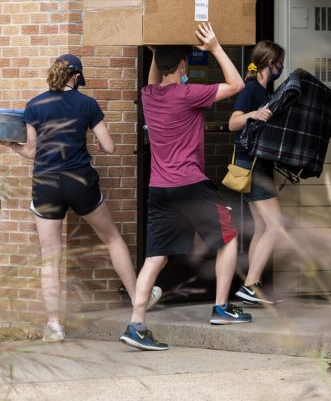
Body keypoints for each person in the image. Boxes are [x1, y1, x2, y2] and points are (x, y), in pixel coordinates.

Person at [5, 53, 161, 343]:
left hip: (46, 184)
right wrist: (97, 146)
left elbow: (31, 152)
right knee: (112, 238)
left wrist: (9, 145)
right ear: (76, 77)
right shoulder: (87, 103)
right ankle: (138, 297)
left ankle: (53, 326)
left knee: (50, 257)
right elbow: (110, 147)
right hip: (80, 181)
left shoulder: (34, 105)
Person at [120, 22, 247, 352]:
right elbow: (237, 84)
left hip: (159, 189)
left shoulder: (149, 96)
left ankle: (136, 324)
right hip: (191, 184)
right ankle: (221, 308)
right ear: (182, 65)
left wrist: (155, 55)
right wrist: (216, 47)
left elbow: (153, 80)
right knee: (229, 236)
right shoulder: (190, 94)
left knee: (155, 257)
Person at [227, 40, 288, 306]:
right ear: (269, 64)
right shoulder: (250, 90)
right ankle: (250, 286)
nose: (281, 68)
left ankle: (251, 285)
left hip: (257, 166)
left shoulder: (265, 91)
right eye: (279, 63)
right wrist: (254, 114)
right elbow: (233, 122)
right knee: (276, 226)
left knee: (263, 227)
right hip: (253, 167)